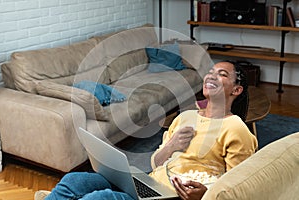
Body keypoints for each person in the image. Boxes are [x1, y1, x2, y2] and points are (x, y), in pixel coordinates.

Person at [35, 61, 258, 200]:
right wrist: (171, 146)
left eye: (222, 74)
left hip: (174, 195)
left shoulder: (235, 128)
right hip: (149, 184)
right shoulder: (185, 117)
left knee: (102, 198)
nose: (211, 76)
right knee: (75, 181)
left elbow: (240, 188)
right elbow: (155, 163)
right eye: (210, 71)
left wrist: (203, 195)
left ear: (236, 89)